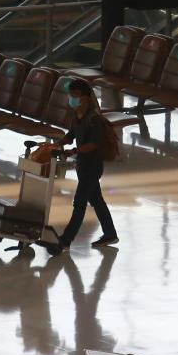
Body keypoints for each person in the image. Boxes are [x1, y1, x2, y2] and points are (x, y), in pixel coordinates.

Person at [56, 80, 119, 250]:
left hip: (92, 167)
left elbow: (95, 144)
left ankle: (66, 240)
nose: (72, 99)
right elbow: (70, 135)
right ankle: (110, 234)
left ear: (85, 98)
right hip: (82, 166)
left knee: (80, 202)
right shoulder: (77, 115)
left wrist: (75, 151)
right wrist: (57, 144)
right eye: (71, 95)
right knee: (96, 200)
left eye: (75, 96)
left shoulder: (94, 119)